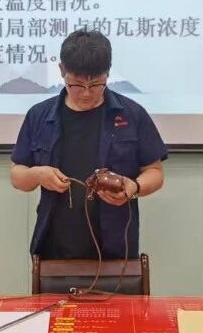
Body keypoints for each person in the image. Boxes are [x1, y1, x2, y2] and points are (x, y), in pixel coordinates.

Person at [10, 28, 167, 261]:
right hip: (55, 247)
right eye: (76, 85)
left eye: (95, 85)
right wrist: (37, 175)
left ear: (108, 73)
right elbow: (17, 175)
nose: (86, 94)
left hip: (116, 249)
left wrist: (134, 186)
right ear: (62, 71)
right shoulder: (39, 116)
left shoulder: (132, 114)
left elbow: (155, 172)